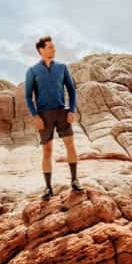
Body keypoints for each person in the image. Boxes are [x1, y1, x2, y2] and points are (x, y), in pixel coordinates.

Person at [25, 35, 81, 199]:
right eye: (50, 47)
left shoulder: (62, 67)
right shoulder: (32, 71)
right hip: (44, 115)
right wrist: (35, 116)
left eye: (53, 46)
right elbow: (28, 96)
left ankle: (75, 180)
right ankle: (48, 188)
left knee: (70, 144)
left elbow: (71, 90)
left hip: (62, 112)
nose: (54, 49)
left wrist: (71, 110)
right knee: (47, 150)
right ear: (41, 50)